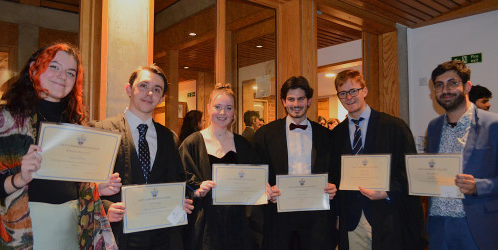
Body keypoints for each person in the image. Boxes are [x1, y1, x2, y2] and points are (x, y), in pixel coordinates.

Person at [0, 43, 120, 249]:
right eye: (54, 67)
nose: (63, 77)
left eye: (71, 73)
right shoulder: (7, 121)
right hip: (25, 230)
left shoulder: (77, 125)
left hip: (72, 228)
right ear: (34, 68)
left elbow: (70, 185)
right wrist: (18, 179)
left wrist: (96, 186)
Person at [90, 65, 194, 249]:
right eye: (143, 86)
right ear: (129, 89)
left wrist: (180, 204)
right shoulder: (103, 130)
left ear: (161, 99)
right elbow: (82, 185)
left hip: (161, 237)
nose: (149, 93)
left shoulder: (168, 138)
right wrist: (104, 207)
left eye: (156, 89)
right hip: (119, 236)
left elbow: (178, 183)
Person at [330, 69, 426, 250]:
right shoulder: (336, 135)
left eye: (353, 91)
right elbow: (334, 176)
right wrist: (337, 215)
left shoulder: (394, 127)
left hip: (386, 216)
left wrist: (387, 191)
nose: (348, 97)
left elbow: (410, 172)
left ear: (364, 91)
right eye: (342, 93)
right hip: (351, 220)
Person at [252, 76, 337, 250]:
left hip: (316, 219)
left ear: (309, 101)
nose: (296, 104)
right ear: (283, 101)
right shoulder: (265, 135)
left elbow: (335, 171)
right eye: (291, 99)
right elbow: (256, 174)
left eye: (301, 99)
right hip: (279, 217)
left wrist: (333, 187)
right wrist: (266, 189)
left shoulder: (326, 135)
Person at [179, 83, 262, 250]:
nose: (223, 113)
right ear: (209, 108)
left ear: (234, 113)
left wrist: (262, 187)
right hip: (205, 226)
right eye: (218, 107)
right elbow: (177, 180)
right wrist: (196, 190)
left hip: (238, 225)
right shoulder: (192, 144)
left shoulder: (243, 145)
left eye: (228, 108)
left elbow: (254, 183)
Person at [426, 60, 498, 250]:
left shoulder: (493, 124)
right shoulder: (433, 127)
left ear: (467, 86)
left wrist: (478, 186)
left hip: (476, 226)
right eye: (439, 85)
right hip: (439, 225)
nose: (445, 90)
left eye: (453, 83)